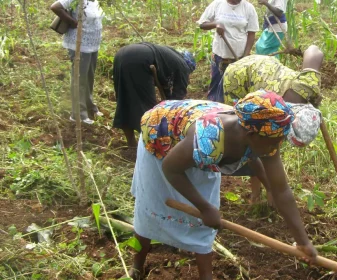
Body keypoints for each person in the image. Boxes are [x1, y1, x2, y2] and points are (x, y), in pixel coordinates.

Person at [129, 90, 321, 279]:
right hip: (161, 137)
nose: (277, 146)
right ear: (250, 134)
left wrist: (303, 241)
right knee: (152, 205)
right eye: (274, 142)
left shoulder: (267, 135)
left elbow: (282, 190)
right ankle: (137, 266)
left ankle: (206, 276)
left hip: (194, 146)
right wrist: (204, 208)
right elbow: (171, 168)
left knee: (206, 221)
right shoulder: (210, 137)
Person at [221, 45, 324, 204]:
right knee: (251, 139)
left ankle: (270, 190)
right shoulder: (269, 112)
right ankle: (256, 192)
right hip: (238, 76)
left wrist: (299, 50)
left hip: (266, 68)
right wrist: (273, 188)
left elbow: (314, 50)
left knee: (269, 144)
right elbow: (257, 144)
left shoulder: (308, 84)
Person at [112, 43, 196, 148]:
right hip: (140, 59)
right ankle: (150, 145)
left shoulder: (170, 59)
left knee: (124, 100)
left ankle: (132, 143)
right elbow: (177, 98)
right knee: (147, 109)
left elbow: (167, 90)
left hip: (121, 54)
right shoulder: (183, 66)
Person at [51, 0, 104, 124]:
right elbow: (55, 7)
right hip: (79, 44)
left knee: (89, 77)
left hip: (93, 44)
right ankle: (78, 114)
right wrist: (73, 22)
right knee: (79, 78)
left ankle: (89, 106)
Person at [197, 0, 259, 101]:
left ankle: (231, 111)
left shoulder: (248, 8)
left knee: (235, 88)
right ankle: (213, 109)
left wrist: (245, 56)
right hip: (219, 56)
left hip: (239, 58)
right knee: (216, 85)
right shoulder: (217, 4)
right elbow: (202, 24)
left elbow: (251, 33)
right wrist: (215, 24)